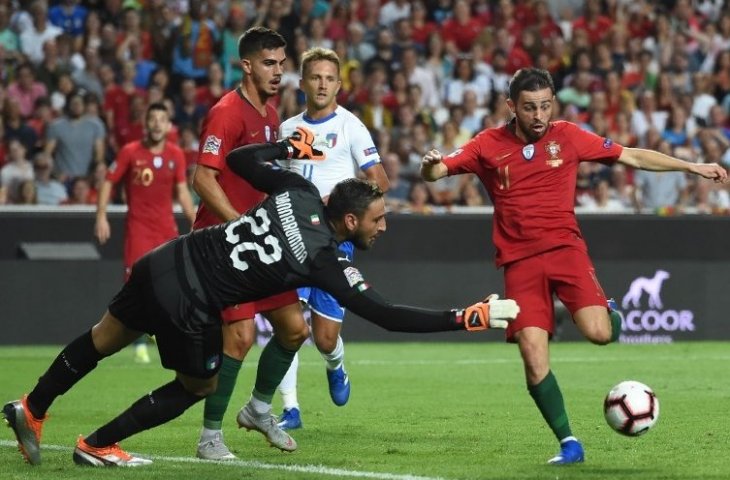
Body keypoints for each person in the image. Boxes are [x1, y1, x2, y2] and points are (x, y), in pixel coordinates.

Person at [2, 127, 520, 468]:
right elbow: (386, 315)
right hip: (192, 298)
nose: (383, 227)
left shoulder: (298, 193)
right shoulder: (328, 262)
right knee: (199, 384)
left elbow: (238, 158)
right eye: (378, 219)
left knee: (102, 339)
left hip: (166, 259)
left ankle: (34, 404)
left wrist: (289, 150)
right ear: (348, 220)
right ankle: (97, 445)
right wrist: (467, 316)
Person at [420, 68, 727, 465]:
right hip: (519, 262)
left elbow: (631, 155)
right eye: (530, 107)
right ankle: (568, 443)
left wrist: (692, 167)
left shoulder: (567, 135)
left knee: (599, 333)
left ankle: (609, 312)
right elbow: (438, 172)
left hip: (567, 251)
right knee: (533, 356)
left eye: (546, 106)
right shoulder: (487, 145)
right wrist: (430, 165)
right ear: (512, 106)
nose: (539, 115)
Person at [190, 27, 303, 461]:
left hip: (258, 243)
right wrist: (239, 225)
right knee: (238, 339)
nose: (279, 71)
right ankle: (210, 438)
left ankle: (257, 409)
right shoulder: (226, 113)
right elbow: (203, 178)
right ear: (247, 65)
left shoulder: (271, 114)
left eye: (282, 62)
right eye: (270, 63)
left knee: (294, 330)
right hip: (225, 244)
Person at [275, 47, 390, 430]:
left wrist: (337, 202)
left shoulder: (350, 127)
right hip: (292, 240)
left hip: (332, 244)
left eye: (329, 78)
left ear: (339, 85)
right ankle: (290, 408)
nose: (322, 84)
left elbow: (381, 182)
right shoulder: (287, 129)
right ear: (303, 82)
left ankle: (336, 366)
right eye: (315, 77)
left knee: (324, 340)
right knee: (289, 326)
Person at [94, 102, 196, 363]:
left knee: (171, 285)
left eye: (162, 119)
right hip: (138, 230)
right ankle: (139, 341)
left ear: (169, 125)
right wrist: (101, 216)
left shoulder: (176, 154)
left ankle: (162, 336)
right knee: (135, 287)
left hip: (166, 230)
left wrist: (196, 221)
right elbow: (109, 181)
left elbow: (183, 192)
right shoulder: (130, 152)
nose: (157, 124)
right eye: (153, 119)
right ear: (146, 123)